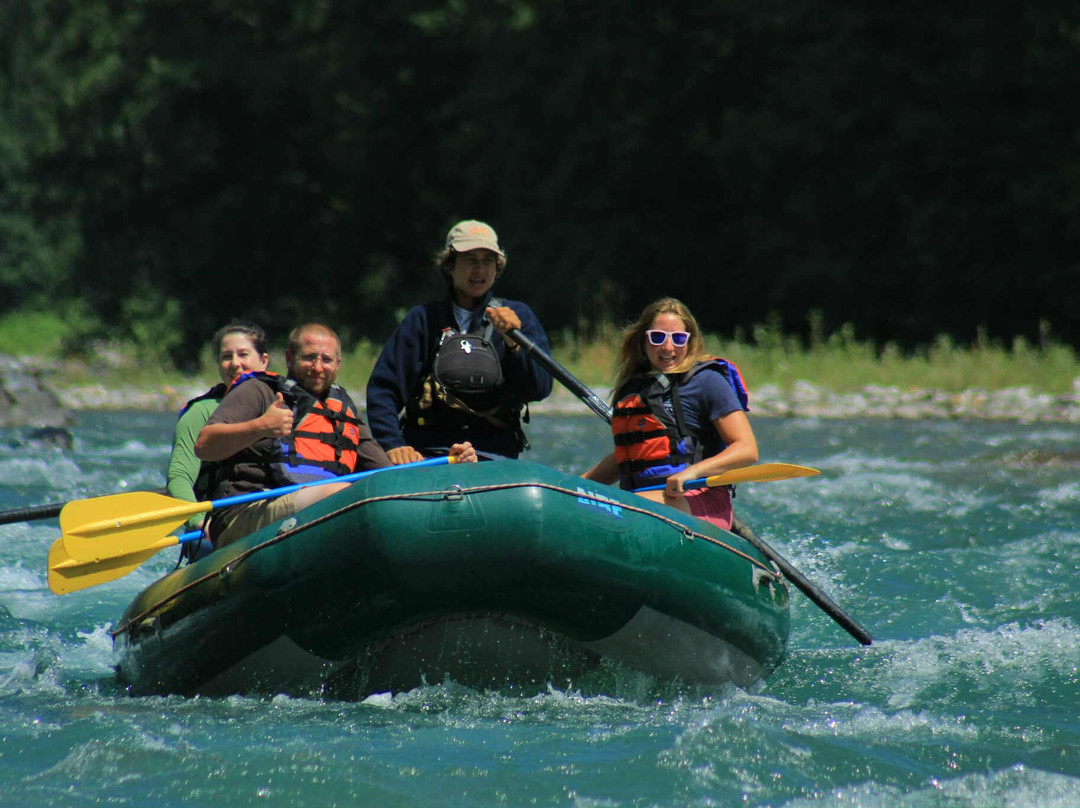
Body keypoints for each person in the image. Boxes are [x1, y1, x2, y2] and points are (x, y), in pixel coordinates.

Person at [195, 323, 476, 548]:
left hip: (320, 508)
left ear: (338, 364)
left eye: (326, 360)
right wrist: (261, 426)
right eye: (309, 358)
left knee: (366, 496)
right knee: (343, 495)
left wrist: (447, 466)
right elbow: (204, 445)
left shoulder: (342, 409)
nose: (318, 367)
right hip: (246, 513)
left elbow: (387, 477)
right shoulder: (259, 391)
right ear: (290, 358)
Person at [365, 219, 553, 462]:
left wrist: (513, 343)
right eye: (470, 260)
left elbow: (539, 389)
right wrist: (393, 443)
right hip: (429, 454)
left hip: (495, 456)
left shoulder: (517, 316)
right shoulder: (423, 320)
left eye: (488, 261)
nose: (480, 270)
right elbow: (383, 390)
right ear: (450, 265)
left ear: (497, 267)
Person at [582, 297, 758, 530]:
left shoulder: (708, 382)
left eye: (678, 338)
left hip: (698, 498)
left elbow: (747, 449)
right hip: (640, 499)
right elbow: (622, 459)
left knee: (622, 508)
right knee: (588, 505)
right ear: (643, 341)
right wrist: (574, 487)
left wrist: (692, 472)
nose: (667, 347)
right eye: (657, 337)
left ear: (690, 342)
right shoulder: (633, 388)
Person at [166, 320, 270, 537]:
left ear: (263, 361)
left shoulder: (283, 407)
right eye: (226, 357)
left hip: (273, 512)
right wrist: (198, 521)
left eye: (243, 354)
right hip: (220, 525)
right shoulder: (201, 413)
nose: (235, 364)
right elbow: (179, 477)